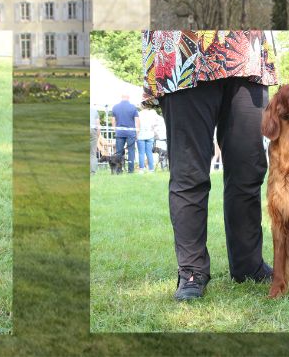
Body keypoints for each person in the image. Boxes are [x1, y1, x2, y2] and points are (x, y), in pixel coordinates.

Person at [144, 30, 278, 301]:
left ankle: (248, 266)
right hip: (185, 52)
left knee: (248, 170)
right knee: (189, 173)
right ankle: (192, 271)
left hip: (246, 55)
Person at [110, 93, 140, 174]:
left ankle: (119, 171)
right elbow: (137, 120)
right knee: (131, 151)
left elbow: (113, 121)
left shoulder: (115, 107)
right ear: (129, 97)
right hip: (131, 133)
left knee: (119, 152)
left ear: (121, 97)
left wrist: (115, 131)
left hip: (119, 133)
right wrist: (137, 133)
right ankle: (131, 170)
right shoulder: (133, 107)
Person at [137, 108, 164, 173]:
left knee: (141, 153)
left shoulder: (139, 113)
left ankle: (142, 169)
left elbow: (137, 124)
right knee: (149, 153)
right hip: (150, 135)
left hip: (141, 135)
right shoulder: (152, 113)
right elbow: (156, 123)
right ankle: (151, 169)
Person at [90, 103, 102, 174]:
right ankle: (92, 172)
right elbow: (98, 125)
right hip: (92, 131)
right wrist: (97, 136)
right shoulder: (95, 111)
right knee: (92, 153)